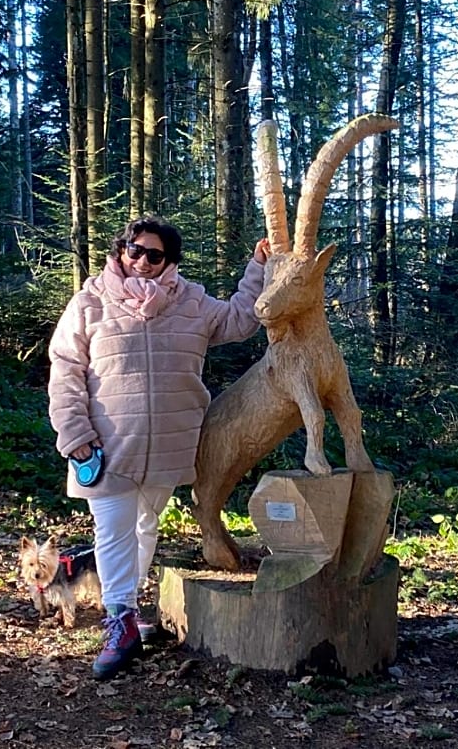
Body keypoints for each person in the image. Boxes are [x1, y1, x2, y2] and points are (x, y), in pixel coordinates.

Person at [48, 216, 270, 680]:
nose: (142, 262)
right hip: (106, 446)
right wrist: (75, 436)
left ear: (169, 260)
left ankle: (125, 611)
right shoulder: (90, 302)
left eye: (154, 255)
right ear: (120, 250)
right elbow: (65, 369)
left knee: (146, 526)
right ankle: (120, 620)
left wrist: (259, 267)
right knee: (113, 531)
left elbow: (240, 318)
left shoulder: (191, 302)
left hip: (172, 445)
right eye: (134, 250)